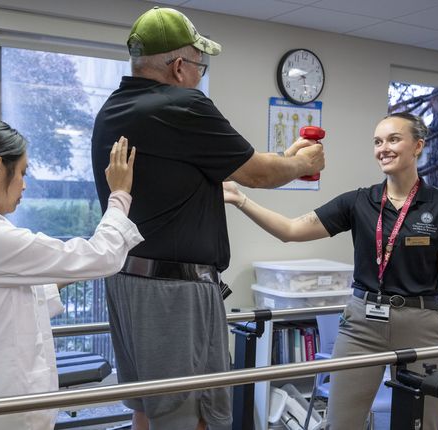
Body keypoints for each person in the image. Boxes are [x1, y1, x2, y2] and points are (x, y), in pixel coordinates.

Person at [90, 6, 325, 430]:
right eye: (200, 65)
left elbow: (179, 181)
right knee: (191, 416)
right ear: (179, 66)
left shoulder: (113, 110)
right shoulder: (183, 104)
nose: (201, 75)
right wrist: (300, 161)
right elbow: (257, 173)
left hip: (126, 280)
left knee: (146, 409)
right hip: (174, 291)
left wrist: (281, 161)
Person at [223, 112, 438, 430]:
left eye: (393, 139)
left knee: (423, 424)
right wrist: (241, 200)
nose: (383, 148)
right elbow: (291, 230)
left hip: (422, 323)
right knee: (342, 423)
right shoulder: (360, 202)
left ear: (417, 146)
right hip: (362, 325)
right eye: (377, 142)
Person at [0, 118, 143, 430]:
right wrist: (119, 194)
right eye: (22, 172)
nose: (24, 183)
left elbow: (11, 296)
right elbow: (102, 256)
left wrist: (69, 268)